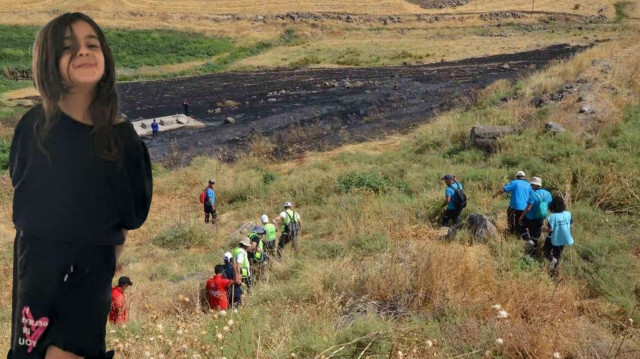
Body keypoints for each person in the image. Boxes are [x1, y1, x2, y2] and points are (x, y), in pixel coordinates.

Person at [8, 12, 152, 359]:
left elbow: (131, 216)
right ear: (48, 62)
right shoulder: (32, 126)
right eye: (69, 47)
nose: (84, 52)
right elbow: (23, 192)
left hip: (86, 273)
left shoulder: (120, 140)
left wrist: (99, 268)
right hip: (35, 273)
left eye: (92, 44)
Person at [518, 176, 552, 256]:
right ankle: (532, 254)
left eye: (532, 184)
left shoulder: (533, 194)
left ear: (535, 185)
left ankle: (528, 240)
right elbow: (549, 205)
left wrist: (521, 217)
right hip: (540, 218)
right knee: (536, 236)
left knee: (521, 227)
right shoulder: (548, 194)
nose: (531, 186)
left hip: (530, 217)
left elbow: (528, 208)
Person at [542, 196, 574, 276]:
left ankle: (551, 259)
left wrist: (543, 229)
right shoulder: (568, 214)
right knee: (558, 254)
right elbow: (571, 226)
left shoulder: (552, 217)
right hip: (564, 238)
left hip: (554, 238)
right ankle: (552, 272)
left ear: (552, 205)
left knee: (546, 252)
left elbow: (550, 229)